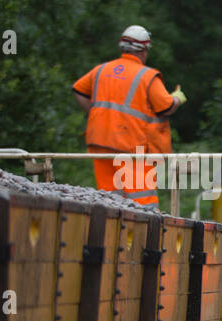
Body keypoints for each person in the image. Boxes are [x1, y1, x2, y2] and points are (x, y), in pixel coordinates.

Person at [72, 25, 186, 208]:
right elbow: (166, 107)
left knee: (108, 198)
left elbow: (78, 90)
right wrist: (178, 98)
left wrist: (93, 113)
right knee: (142, 200)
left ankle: (113, 233)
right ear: (144, 50)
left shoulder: (101, 70)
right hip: (132, 147)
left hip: (100, 142)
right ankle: (146, 234)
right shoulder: (147, 76)